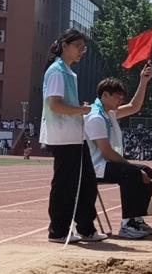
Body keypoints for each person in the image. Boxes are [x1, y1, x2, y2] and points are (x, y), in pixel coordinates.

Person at [41, 28, 104, 244]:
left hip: (75, 136)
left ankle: (86, 228)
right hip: (62, 136)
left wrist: (79, 110)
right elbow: (55, 105)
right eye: (77, 46)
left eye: (83, 48)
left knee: (87, 182)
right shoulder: (57, 72)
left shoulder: (68, 72)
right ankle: (58, 230)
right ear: (64, 46)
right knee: (65, 184)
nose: (81, 51)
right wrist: (80, 110)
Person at [85, 68, 152, 240]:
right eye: (118, 97)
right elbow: (107, 153)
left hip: (106, 164)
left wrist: (143, 81)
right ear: (105, 95)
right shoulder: (95, 117)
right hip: (95, 167)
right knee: (131, 173)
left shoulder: (108, 113)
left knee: (146, 171)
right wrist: (133, 168)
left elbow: (134, 107)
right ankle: (127, 225)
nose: (121, 100)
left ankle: (136, 219)